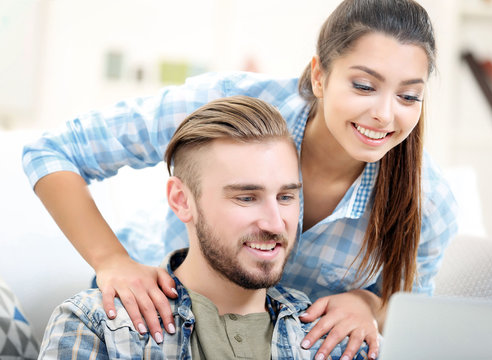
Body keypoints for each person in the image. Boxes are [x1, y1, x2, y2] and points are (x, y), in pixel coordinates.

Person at [23, 1, 457, 359]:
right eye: (364, 86)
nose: (384, 114)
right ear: (320, 76)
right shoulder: (228, 105)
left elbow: (406, 305)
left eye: (408, 96)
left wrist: (367, 302)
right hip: (152, 320)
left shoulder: (428, 201)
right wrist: (111, 260)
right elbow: (53, 151)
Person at [38, 96, 368, 359]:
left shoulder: (335, 343)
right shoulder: (97, 326)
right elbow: (48, 151)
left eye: (285, 196)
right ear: (182, 200)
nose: (274, 222)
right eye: (246, 197)